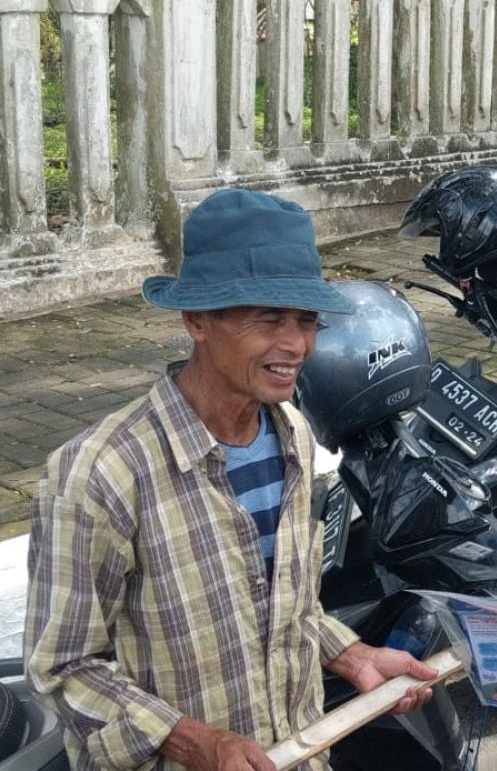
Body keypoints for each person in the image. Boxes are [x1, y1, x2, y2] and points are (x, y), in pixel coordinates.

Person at [25, 189, 437, 771]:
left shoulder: (292, 432)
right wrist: (194, 741)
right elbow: (63, 668)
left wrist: (354, 656)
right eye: (268, 319)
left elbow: (282, 610)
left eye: (305, 320)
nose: (294, 345)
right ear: (197, 320)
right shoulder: (101, 474)